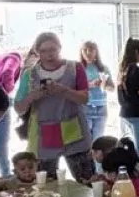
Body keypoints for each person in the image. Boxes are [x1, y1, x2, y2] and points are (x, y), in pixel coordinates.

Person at [14, 33, 94, 182]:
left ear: (60, 48)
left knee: (87, 180)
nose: (48, 54)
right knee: (46, 184)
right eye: (43, 51)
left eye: (52, 49)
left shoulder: (75, 67)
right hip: (44, 135)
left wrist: (63, 91)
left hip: (75, 133)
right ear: (37, 52)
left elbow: (84, 98)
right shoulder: (29, 75)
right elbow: (18, 108)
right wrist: (33, 96)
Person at [0, 51, 24, 177]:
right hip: (1, 100)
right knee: (3, 140)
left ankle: (3, 172)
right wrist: (9, 90)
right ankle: (6, 174)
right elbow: (7, 72)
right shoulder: (15, 58)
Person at [80, 41, 114, 139]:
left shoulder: (103, 68)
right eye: (85, 50)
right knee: (85, 140)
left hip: (101, 107)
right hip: (85, 106)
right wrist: (90, 84)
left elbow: (112, 88)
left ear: (96, 52)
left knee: (98, 140)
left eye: (91, 50)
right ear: (81, 52)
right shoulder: (78, 68)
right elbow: (74, 87)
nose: (88, 52)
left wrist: (103, 84)